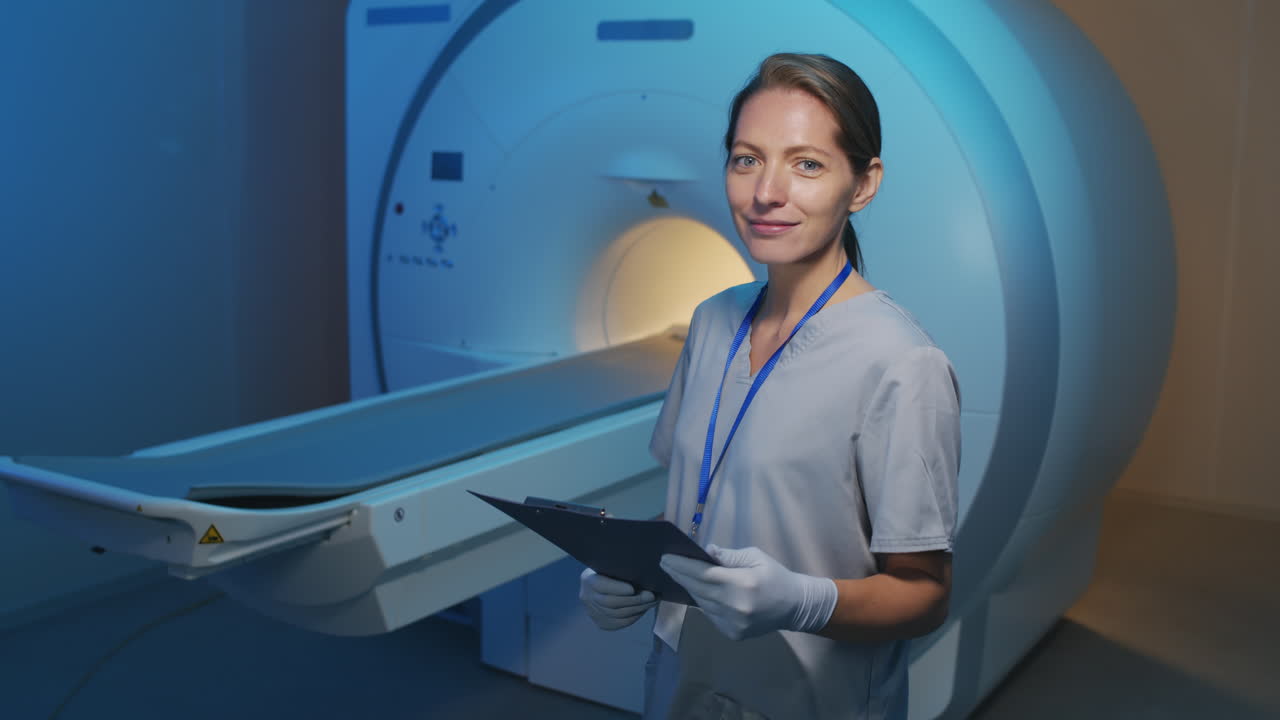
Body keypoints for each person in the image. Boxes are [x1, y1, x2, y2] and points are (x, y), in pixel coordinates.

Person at [579, 52, 961, 720]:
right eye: (747, 159)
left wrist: (805, 602)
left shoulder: (902, 363)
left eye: (806, 164)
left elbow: (925, 594)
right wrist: (625, 569)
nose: (766, 192)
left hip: (812, 697)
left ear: (863, 184)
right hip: (684, 676)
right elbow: (697, 510)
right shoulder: (712, 321)